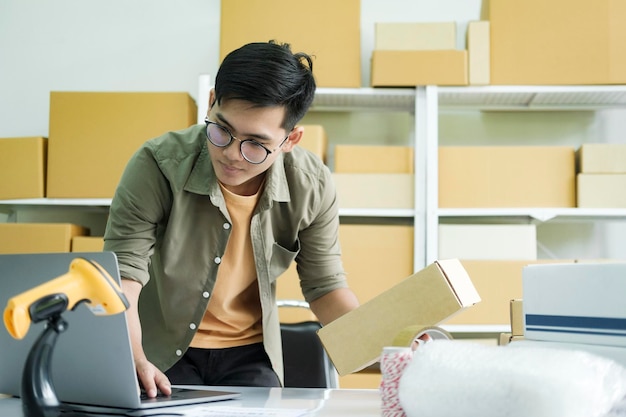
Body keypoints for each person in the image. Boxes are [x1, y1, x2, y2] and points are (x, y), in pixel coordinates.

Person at [103, 40, 360, 397]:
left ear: (290, 139)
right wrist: (132, 358)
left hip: (251, 356)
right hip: (160, 352)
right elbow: (122, 280)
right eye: (222, 129)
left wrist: (387, 341)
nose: (231, 154)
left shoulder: (311, 184)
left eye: (256, 143)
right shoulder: (157, 165)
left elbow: (326, 287)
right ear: (211, 103)